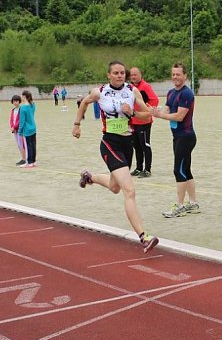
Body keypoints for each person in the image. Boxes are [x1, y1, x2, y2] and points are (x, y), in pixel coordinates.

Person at [72, 60, 158, 253]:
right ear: (108, 75)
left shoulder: (132, 91)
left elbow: (147, 115)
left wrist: (133, 112)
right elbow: (84, 102)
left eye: (122, 73)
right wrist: (77, 124)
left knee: (114, 187)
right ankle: (144, 237)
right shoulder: (99, 92)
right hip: (110, 144)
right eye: (116, 73)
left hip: (128, 144)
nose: (120, 75)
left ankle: (89, 177)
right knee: (129, 190)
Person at [153, 63, 200, 218]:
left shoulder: (186, 94)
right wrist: (155, 111)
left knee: (178, 170)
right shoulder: (171, 93)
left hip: (186, 137)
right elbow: (166, 110)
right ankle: (193, 203)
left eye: (178, 74)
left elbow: (179, 116)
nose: (175, 77)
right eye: (173, 74)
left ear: (185, 76)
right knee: (185, 170)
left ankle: (179, 206)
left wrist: (160, 115)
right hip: (177, 137)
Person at [128, 66, 159, 177]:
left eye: (135, 74)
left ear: (140, 74)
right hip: (133, 121)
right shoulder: (130, 87)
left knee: (145, 145)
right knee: (136, 146)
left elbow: (155, 99)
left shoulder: (145, 87)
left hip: (144, 122)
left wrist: (149, 110)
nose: (133, 77)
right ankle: (139, 167)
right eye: (131, 75)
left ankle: (147, 169)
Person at [17, 90, 37, 168]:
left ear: (24, 96)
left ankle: (29, 162)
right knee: (33, 145)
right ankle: (33, 161)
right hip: (33, 127)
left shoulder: (23, 108)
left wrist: (20, 131)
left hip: (27, 129)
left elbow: (22, 121)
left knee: (28, 146)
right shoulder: (33, 104)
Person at [9, 94, 27, 166]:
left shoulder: (21, 109)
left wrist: (15, 127)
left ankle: (24, 159)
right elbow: (11, 119)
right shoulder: (13, 110)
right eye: (14, 101)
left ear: (19, 101)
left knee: (21, 144)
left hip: (20, 130)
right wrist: (12, 126)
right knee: (18, 145)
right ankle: (23, 158)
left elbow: (20, 120)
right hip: (14, 130)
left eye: (17, 101)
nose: (15, 102)